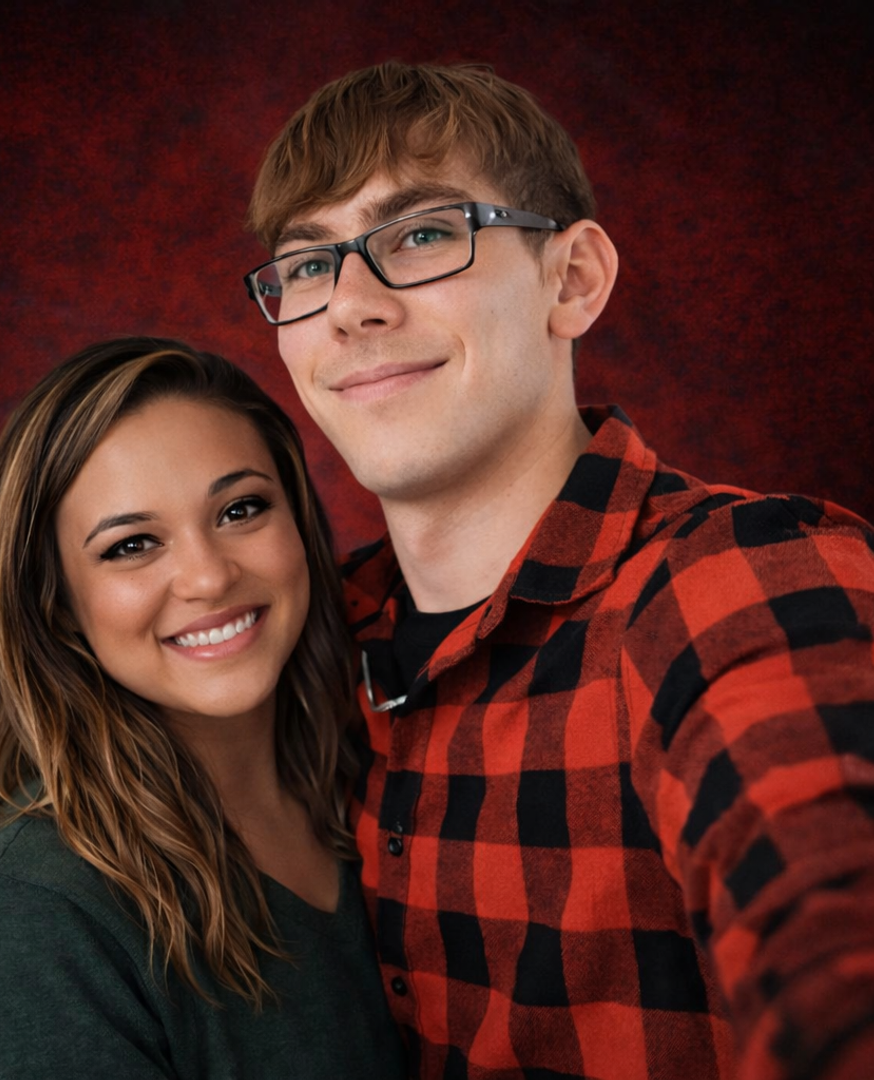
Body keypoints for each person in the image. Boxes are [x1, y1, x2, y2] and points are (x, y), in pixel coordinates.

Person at [242, 61, 874, 1079]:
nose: (350, 307)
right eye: (309, 264)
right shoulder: (305, 642)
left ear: (572, 278)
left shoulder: (737, 580)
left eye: (423, 234)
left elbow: (835, 932)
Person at [0, 337, 407, 1079]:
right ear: (56, 602)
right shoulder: (21, 920)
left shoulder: (385, 774)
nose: (208, 577)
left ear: (300, 523)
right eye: (131, 545)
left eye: (240, 509)